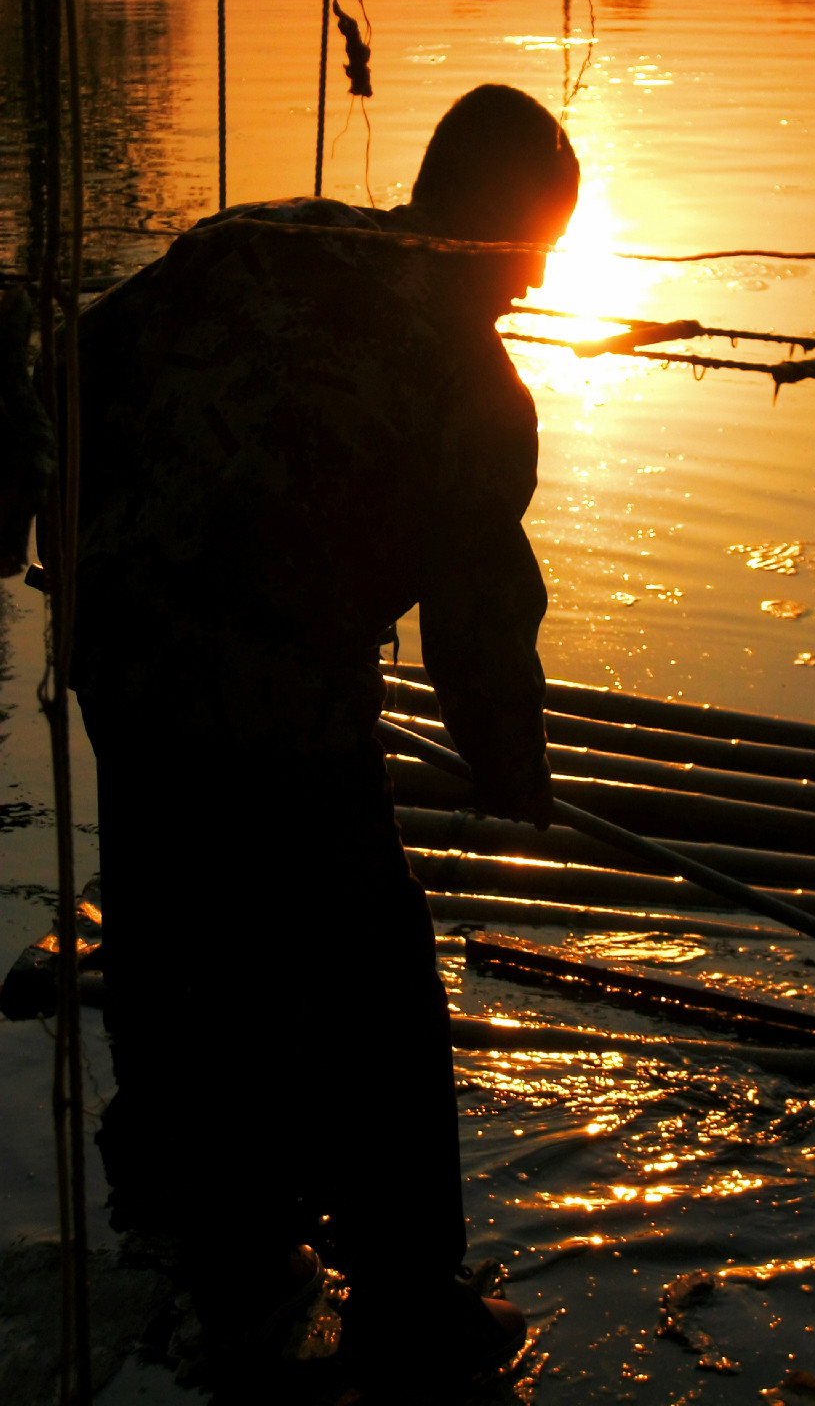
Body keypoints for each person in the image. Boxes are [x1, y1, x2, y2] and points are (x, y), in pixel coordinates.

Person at [63, 85, 579, 1395]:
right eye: (532, 253)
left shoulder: (258, 236)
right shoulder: (471, 382)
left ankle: (216, 1235)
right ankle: (405, 1295)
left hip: (123, 645)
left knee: (177, 926)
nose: (526, 286)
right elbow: (476, 630)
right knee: (367, 981)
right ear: (504, 233)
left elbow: (79, 364)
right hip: (271, 694)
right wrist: (511, 773)